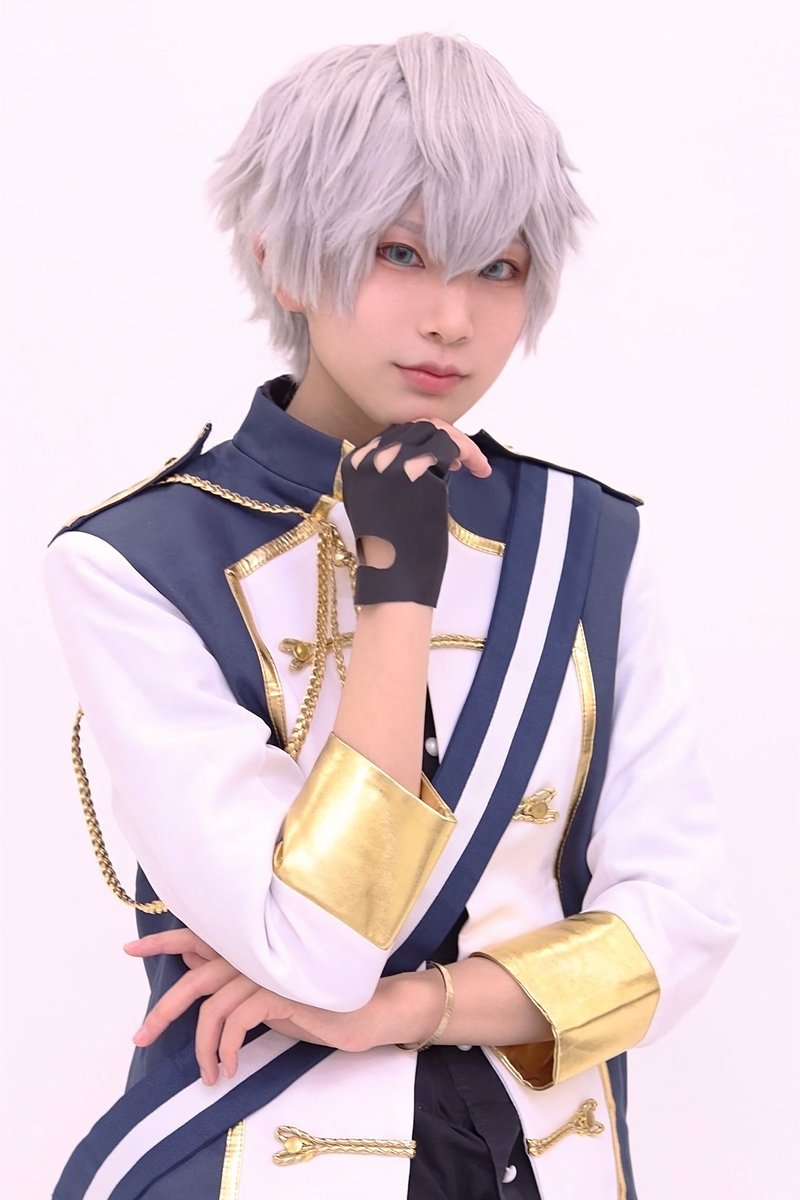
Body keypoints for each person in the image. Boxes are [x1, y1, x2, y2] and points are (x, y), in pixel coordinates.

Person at [44, 32, 738, 1200]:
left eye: (497, 267)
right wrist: (395, 584)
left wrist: (410, 1009)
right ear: (281, 258)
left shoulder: (586, 542)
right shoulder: (136, 562)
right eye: (399, 252)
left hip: (546, 1166)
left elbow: (681, 928)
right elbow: (313, 946)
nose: (450, 319)